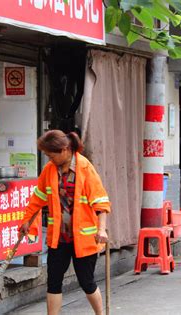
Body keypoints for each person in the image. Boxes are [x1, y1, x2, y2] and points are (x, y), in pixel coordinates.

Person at [20, 130, 110, 315]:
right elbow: (38, 198)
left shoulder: (85, 168)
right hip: (58, 238)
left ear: (65, 150)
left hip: (83, 239)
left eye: (51, 155)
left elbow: (101, 202)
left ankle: (100, 314)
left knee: (87, 282)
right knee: (53, 282)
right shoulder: (49, 170)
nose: (49, 159)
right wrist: (26, 221)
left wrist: (102, 229)